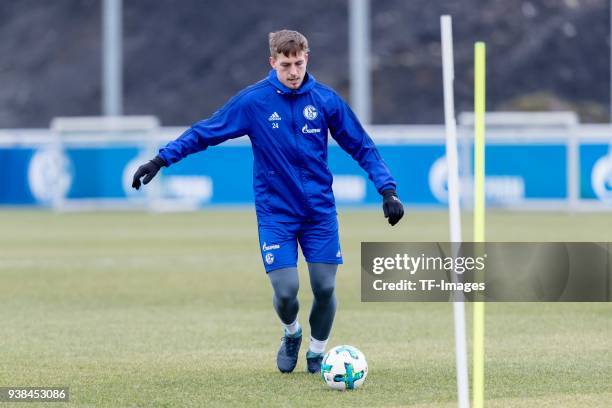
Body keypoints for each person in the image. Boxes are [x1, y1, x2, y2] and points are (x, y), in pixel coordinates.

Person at [132, 29, 404, 374]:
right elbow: (205, 132)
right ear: (272, 62)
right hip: (276, 212)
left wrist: (387, 190)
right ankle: (291, 333)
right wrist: (160, 160)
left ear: (307, 59)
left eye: (299, 63)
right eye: (286, 64)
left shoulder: (325, 100)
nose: (293, 72)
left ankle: (318, 352)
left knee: (324, 286)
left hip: (319, 211)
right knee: (287, 291)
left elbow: (362, 146)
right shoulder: (253, 102)